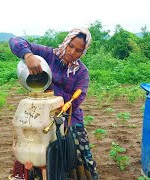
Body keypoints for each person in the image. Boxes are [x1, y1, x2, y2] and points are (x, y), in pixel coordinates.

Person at [9, 28, 98, 179]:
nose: (71, 52)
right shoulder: (48, 55)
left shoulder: (82, 72)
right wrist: (28, 55)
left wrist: (51, 91)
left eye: (78, 50)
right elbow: (15, 41)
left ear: (83, 52)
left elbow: (75, 102)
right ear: (66, 41)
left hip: (69, 119)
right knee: (32, 153)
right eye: (70, 46)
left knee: (78, 158)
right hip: (39, 115)